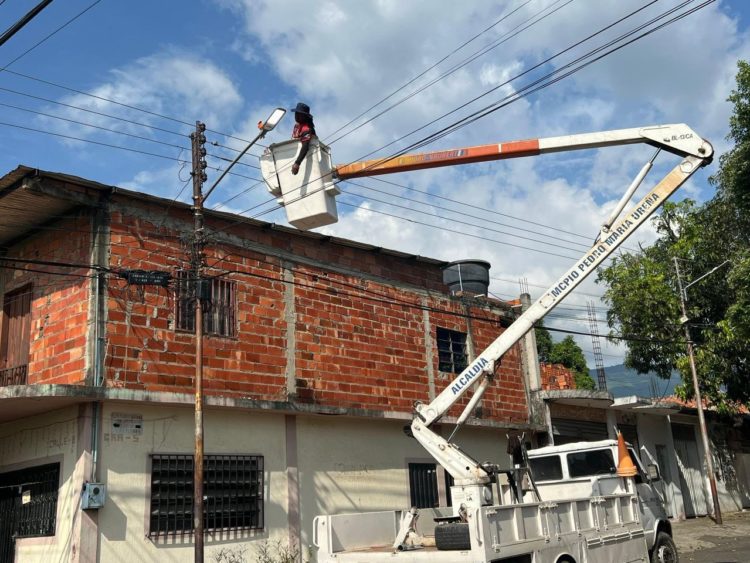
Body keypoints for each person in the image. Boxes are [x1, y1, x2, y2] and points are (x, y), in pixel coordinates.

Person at [290, 102, 316, 175]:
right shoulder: (297, 126)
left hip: (307, 161)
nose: (297, 116)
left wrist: (297, 164)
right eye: (296, 113)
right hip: (293, 158)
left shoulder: (307, 129)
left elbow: (305, 147)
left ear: (305, 116)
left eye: (300, 114)